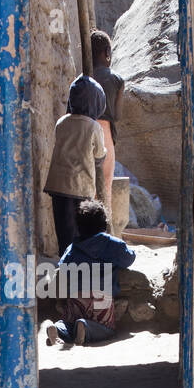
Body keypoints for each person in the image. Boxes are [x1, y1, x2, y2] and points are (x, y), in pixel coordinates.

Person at [46, 198, 136, 346]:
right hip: (101, 300)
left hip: (76, 299)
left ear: (79, 226)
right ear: (104, 224)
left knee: (69, 323)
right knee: (106, 328)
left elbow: (62, 267)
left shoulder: (73, 247)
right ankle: (85, 328)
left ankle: (57, 328)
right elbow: (129, 258)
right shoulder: (113, 245)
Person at [43, 74, 107, 253]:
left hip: (58, 185)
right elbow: (99, 155)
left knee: (64, 229)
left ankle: (64, 263)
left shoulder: (61, 122)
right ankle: (78, 265)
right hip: (80, 187)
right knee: (81, 230)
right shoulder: (94, 127)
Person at [90, 29, 125, 215]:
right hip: (105, 131)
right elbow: (117, 116)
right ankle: (104, 228)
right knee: (106, 183)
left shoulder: (84, 77)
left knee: (87, 185)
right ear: (107, 53)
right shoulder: (117, 80)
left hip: (84, 129)